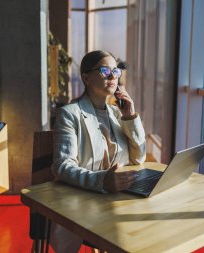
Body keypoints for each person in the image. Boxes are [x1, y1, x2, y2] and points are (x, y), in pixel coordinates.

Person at [50, 50, 146, 253]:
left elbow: (139, 157)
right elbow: (62, 166)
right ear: (86, 77)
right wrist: (102, 180)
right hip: (87, 202)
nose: (113, 76)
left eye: (115, 71)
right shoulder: (69, 114)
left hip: (119, 198)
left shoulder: (115, 113)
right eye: (105, 71)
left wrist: (130, 116)